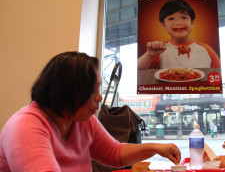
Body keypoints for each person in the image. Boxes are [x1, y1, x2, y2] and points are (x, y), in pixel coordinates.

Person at [0, 52, 181, 172]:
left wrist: (157, 148)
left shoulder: (81, 120)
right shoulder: (25, 126)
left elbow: (115, 153)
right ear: (67, 89)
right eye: (93, 89)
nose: (99, 98)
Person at [137, 0, 221, 69]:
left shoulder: (206, 49)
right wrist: (149, 55)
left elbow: (218, 74)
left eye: (184, 17)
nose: (178, 22)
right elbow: (138, 73)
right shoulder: (159, 49)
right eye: (171, 18)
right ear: (163, 25)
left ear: (192, 23)